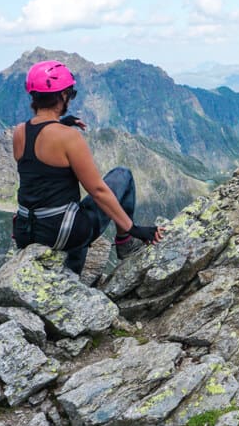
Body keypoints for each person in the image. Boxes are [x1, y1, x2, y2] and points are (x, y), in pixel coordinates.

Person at [11, 60, 163, 274]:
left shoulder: (20, 131)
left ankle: (72, 266)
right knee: (123, 175)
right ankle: (125, 243)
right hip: (60, 233)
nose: (70, 99)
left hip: (25, 231)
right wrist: (134, 229)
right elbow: (98, 190)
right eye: (70, 94)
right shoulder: (69, 138)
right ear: (62, 95)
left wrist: (60, 123)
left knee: (72, 213)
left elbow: (40, 164)